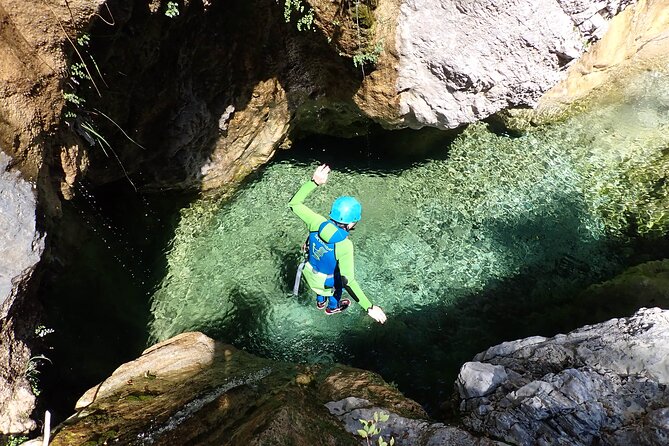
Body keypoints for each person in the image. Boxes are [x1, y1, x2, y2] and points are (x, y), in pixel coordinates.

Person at [289, 164, 387, 324]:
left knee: (320, 289)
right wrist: (369, 307)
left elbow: (294, 204)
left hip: (309, 273)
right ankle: (331, 308)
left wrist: (314, 182)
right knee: (337, 288)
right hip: (326, 282)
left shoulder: (316, 222)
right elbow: (348, 281)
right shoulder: (344, 245)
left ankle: (320, 302)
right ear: (351, 223)